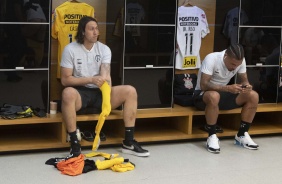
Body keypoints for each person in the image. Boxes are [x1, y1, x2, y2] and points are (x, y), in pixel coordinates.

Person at [60, 16, 150, 157]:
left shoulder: (104, 49)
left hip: (100, 92)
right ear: (83, 32)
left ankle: (129, 141)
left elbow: (105, 75)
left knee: (130, 91)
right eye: (91, 29)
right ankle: (75, 144)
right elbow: (65, 80)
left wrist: (105, 91)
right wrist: (90, 79)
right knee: (67, 93)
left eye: (97, 28)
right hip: (80, 93)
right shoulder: (70, 49)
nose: (96, 32)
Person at [193, 43, 259, 153]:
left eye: (237, 65)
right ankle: (212, 136)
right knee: (214, 95)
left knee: (253, 95)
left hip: (223, 94)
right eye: (233, 64)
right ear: (225, 56)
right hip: (203, 96)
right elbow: (204, 85)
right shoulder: (212, 58)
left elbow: (244, 80)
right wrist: (227, 88)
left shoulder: (240, 61)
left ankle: (242, 134)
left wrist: (246, 86)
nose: (234, 67)